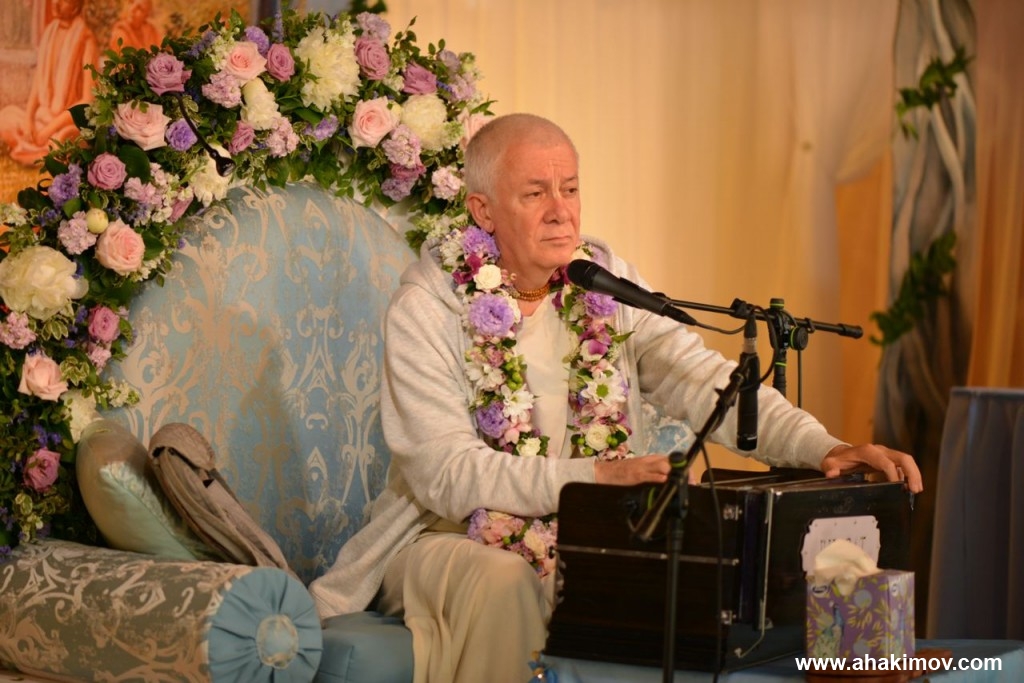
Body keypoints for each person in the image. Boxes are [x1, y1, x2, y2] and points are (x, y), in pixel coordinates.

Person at [308, 113, 923, 682]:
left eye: (570, 189)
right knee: (505, 579)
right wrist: (595, 478)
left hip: (591, 528)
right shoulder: (427, 306)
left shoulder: (604, 283)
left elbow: (701, 379)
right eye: (535, 193)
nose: (561, 212)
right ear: (483, 211)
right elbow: (446, 476)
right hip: (445, 536)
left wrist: (824, 448)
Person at [0, 0, 97, 166]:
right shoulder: (50, 32)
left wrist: (48, 130)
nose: (55, 3)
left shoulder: (86, 39)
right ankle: (39, 148)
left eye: (63, 1)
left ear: (75, 6)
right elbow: (38, 85)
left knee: (64, 138)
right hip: (43, 116)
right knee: (5, 116)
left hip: (66, 121)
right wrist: (29, 120)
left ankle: (33, 149)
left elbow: (86, 101)